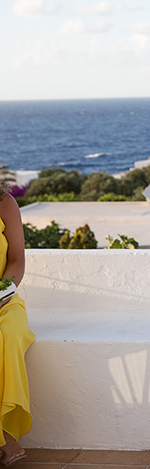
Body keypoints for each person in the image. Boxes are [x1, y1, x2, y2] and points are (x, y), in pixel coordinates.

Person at [0, 179, 36, 467]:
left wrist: (1, 292)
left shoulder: (5, 203)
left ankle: (6, 429)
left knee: (9, 336)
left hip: (4, 300)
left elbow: (16, 260)